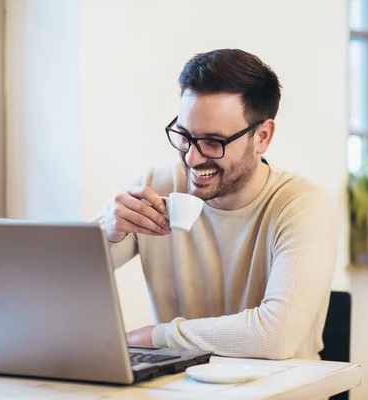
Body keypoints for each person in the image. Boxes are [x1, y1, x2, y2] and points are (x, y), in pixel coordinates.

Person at [96, 49, 337, 360]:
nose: (192, 159)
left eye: (213, 142)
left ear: (262, 136)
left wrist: (155, 337)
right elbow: (60, 276)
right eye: (184, 135)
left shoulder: (303, 207)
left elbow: (275, 336)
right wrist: (108, 232)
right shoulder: (155, 187)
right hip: (179, 389)